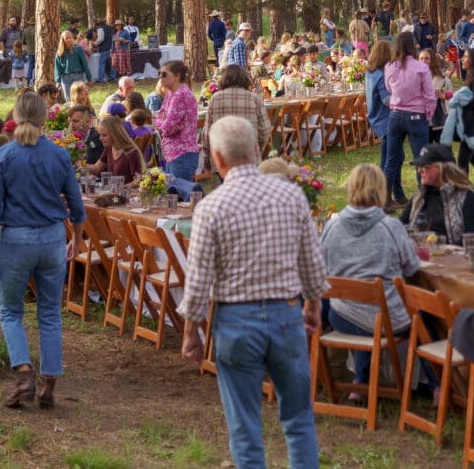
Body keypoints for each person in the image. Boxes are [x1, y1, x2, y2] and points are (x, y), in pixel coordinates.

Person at [179, 116, 327, 469]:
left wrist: (190, 332)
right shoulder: (290, 194)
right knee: (299, 420)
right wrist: (312, 304)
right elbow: (311, 259)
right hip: (285, 315)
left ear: (217, 158)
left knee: (244, 427)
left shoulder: (212, 207)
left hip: (236, 321)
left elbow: (198, 278)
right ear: (256, 150)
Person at [0, 92, 85, 409]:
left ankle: (24, 373)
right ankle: (49, 379)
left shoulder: (4, 156)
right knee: (50, 313)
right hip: (52, 238)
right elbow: (76, 204)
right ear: (45, 117)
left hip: (16, 239)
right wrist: (78, 237)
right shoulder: (59, 155)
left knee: (11, 311)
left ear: (15, 115)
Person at [320, 163, 418, 390]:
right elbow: (412, 267)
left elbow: (321, 269)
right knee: (422, 317)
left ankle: (360, 383)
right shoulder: (390, 227)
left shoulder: (331, 227)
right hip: (385, 319)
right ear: (381, 190)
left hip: (341, 315)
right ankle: (436, 386)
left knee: (365, 310)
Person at [383, 31, 436, 208]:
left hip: (396, 114)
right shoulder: (421, 67)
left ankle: (385, 199)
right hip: (416, 115)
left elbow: (389, 88)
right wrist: (428, 116)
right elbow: (430, 95)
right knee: (420, 159)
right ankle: (424, 200)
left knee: (391, 158)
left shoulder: (390, 66)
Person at [399, 144, 474, 244]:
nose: (420, 170)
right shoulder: (420, 195)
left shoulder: (468, 197)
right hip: (419, 256)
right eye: (419, 167)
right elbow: (400, 225)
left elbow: (473, 239)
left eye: (426, 167)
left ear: (442, 169)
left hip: (456, 257)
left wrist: (440, 249)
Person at [442, 47, 474, 204]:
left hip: (471, 128)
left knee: (462, 163)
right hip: (471, 127)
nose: (462, 59)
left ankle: (463, 197)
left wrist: (459, 99)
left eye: (466, 57)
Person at [201, 64, 271, 172]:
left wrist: (207, 158)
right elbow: (265, 129)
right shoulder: (253, 98)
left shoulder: (215, 99)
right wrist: (257, 147)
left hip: (223, 156)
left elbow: (207, 132)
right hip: (248, 154)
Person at [153, 61, 200, 181]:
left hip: (182, 154)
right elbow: (158, 117)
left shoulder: (181, 95)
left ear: (177, 76)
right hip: (172, 154)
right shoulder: (170, 93)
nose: (160, 77)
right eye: (159, 74)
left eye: (164, 74)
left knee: (182, 195)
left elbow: (165, 128)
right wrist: (162, 122)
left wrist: (163, 125)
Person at [88, 114, 145, 183]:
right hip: (112, 191)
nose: (100, 138)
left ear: (115, 134)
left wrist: (122, 188)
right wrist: (79, 166)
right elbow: (97, 169)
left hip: (127, 192)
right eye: (100, 134)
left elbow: (139, 179)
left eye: (104, 135)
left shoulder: (131, 152)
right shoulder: (109, 148)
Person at [364, 40, 393, 173]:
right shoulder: (381, 75)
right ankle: (382, 187)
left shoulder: (370, 72)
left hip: (374, 115)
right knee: (388, 160)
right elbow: (387, 99)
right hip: (384, 118)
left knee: (392, 157)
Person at [419, 48, 451, 143]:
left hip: (439, 118)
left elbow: (450, 94)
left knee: (441, 149)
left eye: (426, 58)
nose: (424, 61)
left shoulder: (441, 77)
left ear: (432, 60)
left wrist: (443, 95)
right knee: (426, 150)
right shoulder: (416, 76)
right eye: (421, 58)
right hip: (423, 118)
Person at [53, 29, 91, 100]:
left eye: (70, 37)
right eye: (66, 38)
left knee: (81, 97)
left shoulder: (78, 49)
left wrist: (89, 78)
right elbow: (57, 68)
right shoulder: (59, 52)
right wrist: (57, 81)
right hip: (65, 77)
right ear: (62, 39)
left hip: (78, 76)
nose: (69, 40)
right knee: (69, 99)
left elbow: (84, 64)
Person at [87, 17, 114, 83]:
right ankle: (112, 77)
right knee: (109, 64)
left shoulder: (100, 29)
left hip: (104, 48)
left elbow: (100, 39)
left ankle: (101, 78)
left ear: (98, 23)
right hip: (110, 47)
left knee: (101, 63)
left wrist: (95, 43)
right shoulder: (110, 28)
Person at [21, 19, 37, 86]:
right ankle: (35, 80)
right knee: (37, 67)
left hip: (30, 51)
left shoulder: (25, 31)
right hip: (38, 52)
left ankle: (28, 81)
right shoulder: (37, 30)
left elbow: (23, 42)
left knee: (30, 66)